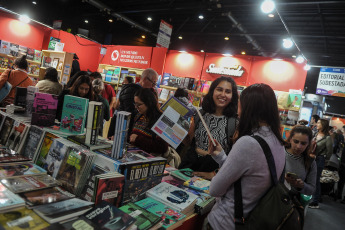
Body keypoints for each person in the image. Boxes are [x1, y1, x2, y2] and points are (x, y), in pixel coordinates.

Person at [204, 83, 285, 230]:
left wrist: (216, 175)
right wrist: (222, 157)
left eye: (240, 105)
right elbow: (251, 178)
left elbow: (215, 189)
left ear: (248, 108)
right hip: (252, 220)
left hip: (226, 222)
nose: (237, 111)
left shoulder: (248, 142)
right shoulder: (278, 141)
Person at [179, 76, 238, 180]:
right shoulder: (200, 114)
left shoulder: (235, 122)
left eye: (228, 91)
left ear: (232, 96)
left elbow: (235, 158)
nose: (223, 95)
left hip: (214, 171)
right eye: (219, 89)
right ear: (212, 91)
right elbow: (188, 142)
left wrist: (214, 174)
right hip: (190, 165)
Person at [107, 68, 159, 138]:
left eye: (155, 84)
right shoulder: (132, 91)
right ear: (145, 79)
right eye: (153, 82)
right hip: (121, 131)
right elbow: (129, 116)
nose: (153, 86)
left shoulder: (145, 92)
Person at [129, 88, 168, 155]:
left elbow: (163, 147)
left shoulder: (160, 120)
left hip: (150, 159)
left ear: (149, 103)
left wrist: (138, 139)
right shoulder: (139, 116)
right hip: (135, 155)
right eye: (135, 104)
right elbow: (133, 136)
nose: (136, 107)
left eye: (139, 104)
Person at [285, 125, 317, 202]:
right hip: (272, 199)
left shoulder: (310, 162)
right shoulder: (278, 152)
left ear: (308, 144)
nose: (299, 146)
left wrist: (302, 186)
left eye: (303, 143)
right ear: (290, 140)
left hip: (292, 203)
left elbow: (312, 190)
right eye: (296, 141)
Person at [309, 118, 333, 209]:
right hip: (311, 158)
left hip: (319, 159)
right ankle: (310, 197)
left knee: (316, 180)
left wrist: (325, 160)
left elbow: (329, 151)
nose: (317, 124)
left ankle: (315, 202)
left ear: (323, 125)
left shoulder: (327, 138)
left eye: (319, 123)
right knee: (309, 177)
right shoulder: (315, 134)